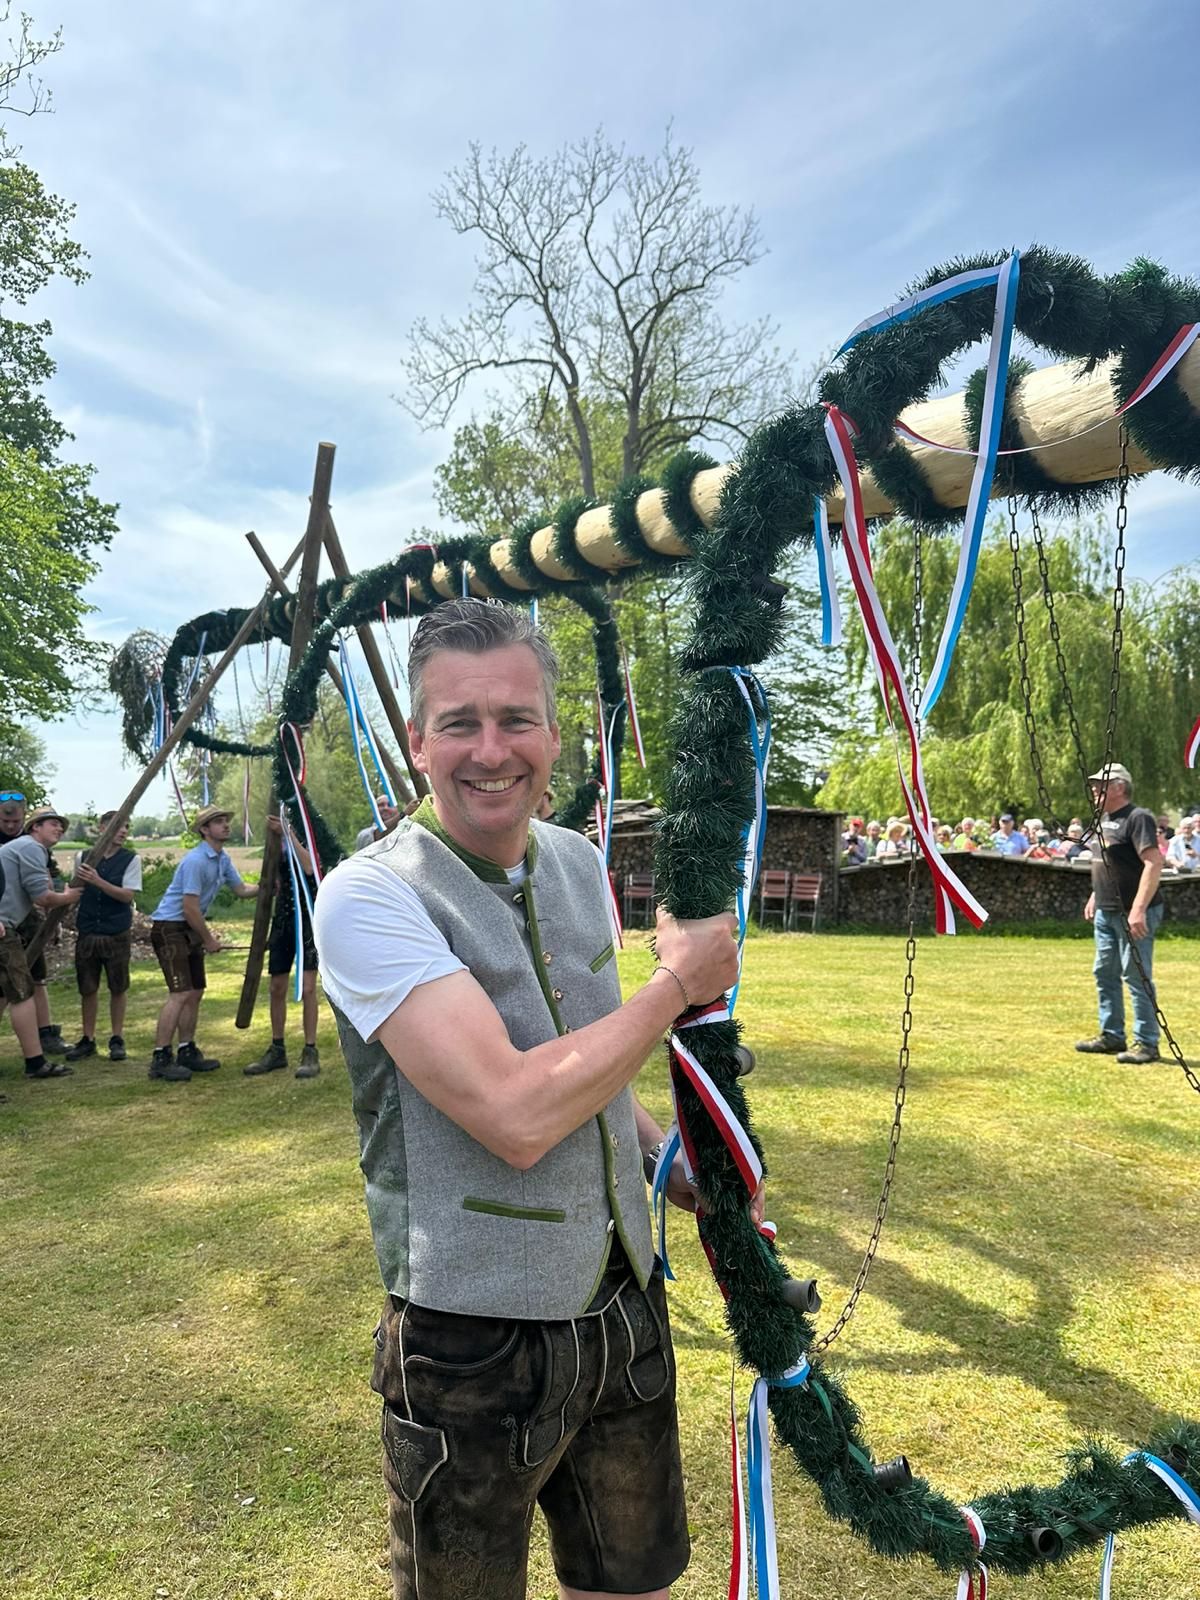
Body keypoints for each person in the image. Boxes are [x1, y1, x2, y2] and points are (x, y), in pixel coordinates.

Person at [313, 598, 745, 1600]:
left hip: (624, 1302)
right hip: (470, 1340)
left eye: (516, 718)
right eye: (458, 722)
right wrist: (674, 986)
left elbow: (584, 1072)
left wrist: (666, 1166)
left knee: (631, 1582)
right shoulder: (368, 895)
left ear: (557, 734)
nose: (490, 749)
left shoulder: (580, 861)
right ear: (415, 739)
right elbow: (513, 1111)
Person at [148, 804, 260, 1082]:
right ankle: (161, 1057)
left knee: (195, 991)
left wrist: (269, 884)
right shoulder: (196, 861)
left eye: (225, 821)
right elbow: (189, 908)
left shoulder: (222, 860)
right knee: (180, 993)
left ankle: (186, 1049)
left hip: (188, 929)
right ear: (204, 830)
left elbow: (241, 889)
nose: (225, 825)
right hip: (170, 928)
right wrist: (209, 939)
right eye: (218, 822)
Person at [1075, 762, 1164, 1065]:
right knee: (1104, 971)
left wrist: (1138, 909)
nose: (1094, 789)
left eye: (1100, 785)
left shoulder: (1138, 819)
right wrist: (1095, 896)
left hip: (1133, 912)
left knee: (1136, 975)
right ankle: (1112, 1035)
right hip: (1106, 910)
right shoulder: (1103, 818)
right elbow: (1106, 861)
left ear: (1119, 787)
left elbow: (1153, 863)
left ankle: (1147, 1043)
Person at [0, 806, 82, 1078]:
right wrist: (71, 896)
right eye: (52, 824)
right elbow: (42, 897)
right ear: (35, 827)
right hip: (2, 928)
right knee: (22, 993)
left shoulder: (28, 849)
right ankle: (35, 1063)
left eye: (61, 825)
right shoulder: (30, 848)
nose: (59, 828)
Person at [244, 816, 321, 1078]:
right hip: (283, 921)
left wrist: (289, 833)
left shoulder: (311, 836)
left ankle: (310, 1050)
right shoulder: (275, 846)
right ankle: (277, 1048)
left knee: (308, 988)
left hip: (307, 922)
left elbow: (310, 867)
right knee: (277, 986)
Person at [64, 810, 142, 1062]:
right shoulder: (82, 857)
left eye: (126, 826)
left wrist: (98, 881)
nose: (123, 831)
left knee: (118, 986)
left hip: (116, 931)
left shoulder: (131, 859)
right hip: (87, 931)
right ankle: (88, 1038)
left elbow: (127, 895)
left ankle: (117, 1038)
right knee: (87, 987)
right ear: (101, 828)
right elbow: (74, 891)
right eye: (118, 826)